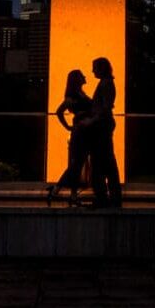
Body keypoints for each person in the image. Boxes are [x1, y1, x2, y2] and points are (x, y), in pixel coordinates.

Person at [47, 69, 91, 207]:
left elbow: (60, 112)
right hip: (81, 133)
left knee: (76, 165)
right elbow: (59, 111)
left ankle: (67, 192)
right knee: (76, 164)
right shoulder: (73, 97)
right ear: (76, 80)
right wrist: (68, 127)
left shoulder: (78, 95)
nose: (84, 77)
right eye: (81, 76)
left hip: (82, 132)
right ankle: (59, 189)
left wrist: (68, 126)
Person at [85, 56, 122, 208]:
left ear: (101, 68)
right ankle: (111, 196)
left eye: (95, 67)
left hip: (101, 127)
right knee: (107, 162)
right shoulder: (106, 83)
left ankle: (103, 197)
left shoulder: (105, 84)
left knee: (101, 162)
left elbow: (105, 108)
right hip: (103, 126)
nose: (93, 70)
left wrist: (91, 121)